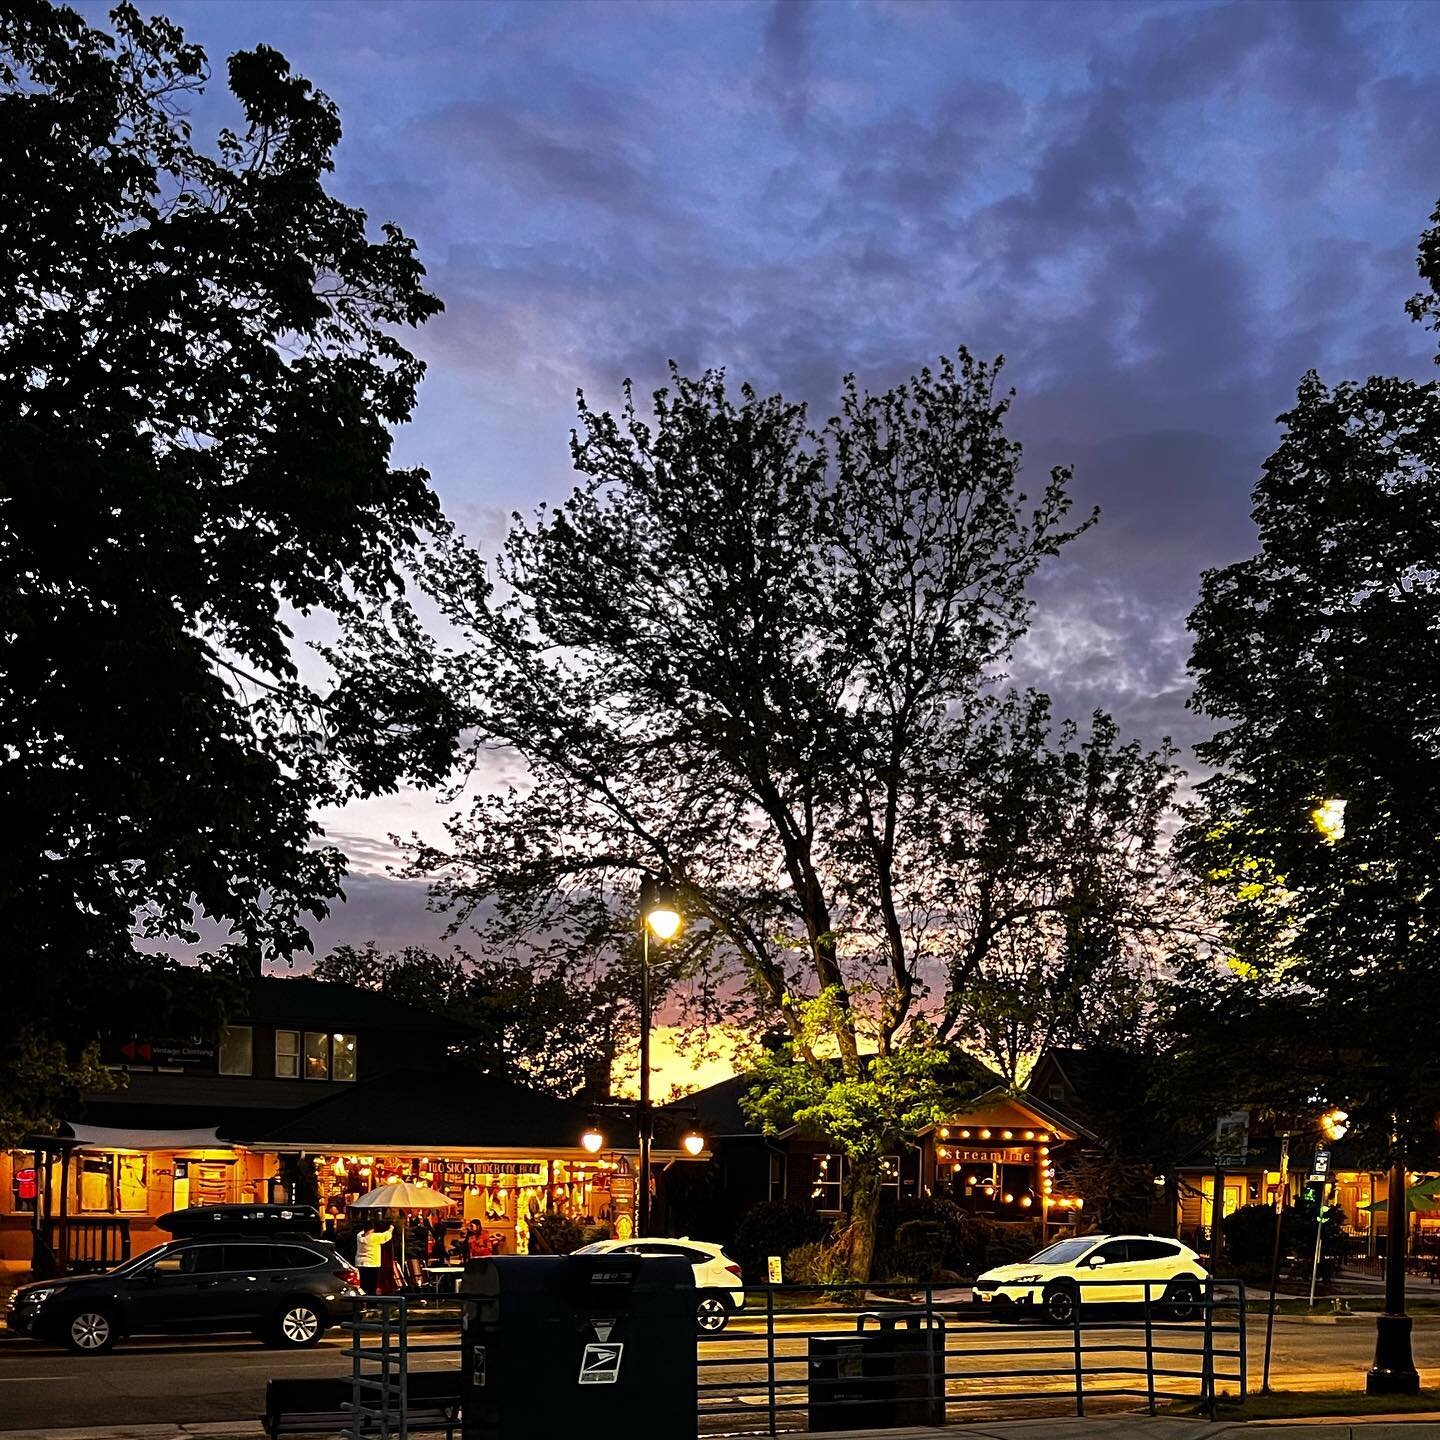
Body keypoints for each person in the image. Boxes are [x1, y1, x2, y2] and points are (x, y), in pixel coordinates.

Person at [355, 1221, 393, 1294]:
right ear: (372, 1229)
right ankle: (371, 1302)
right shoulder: (375, 1237)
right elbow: (386, 1236)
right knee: (372, 1285)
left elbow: (362, 1232)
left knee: (363, 1284)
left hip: (360, 1263)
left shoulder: (359, 1236)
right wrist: (391, 1228)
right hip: (372, 1263)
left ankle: (362, 1302)